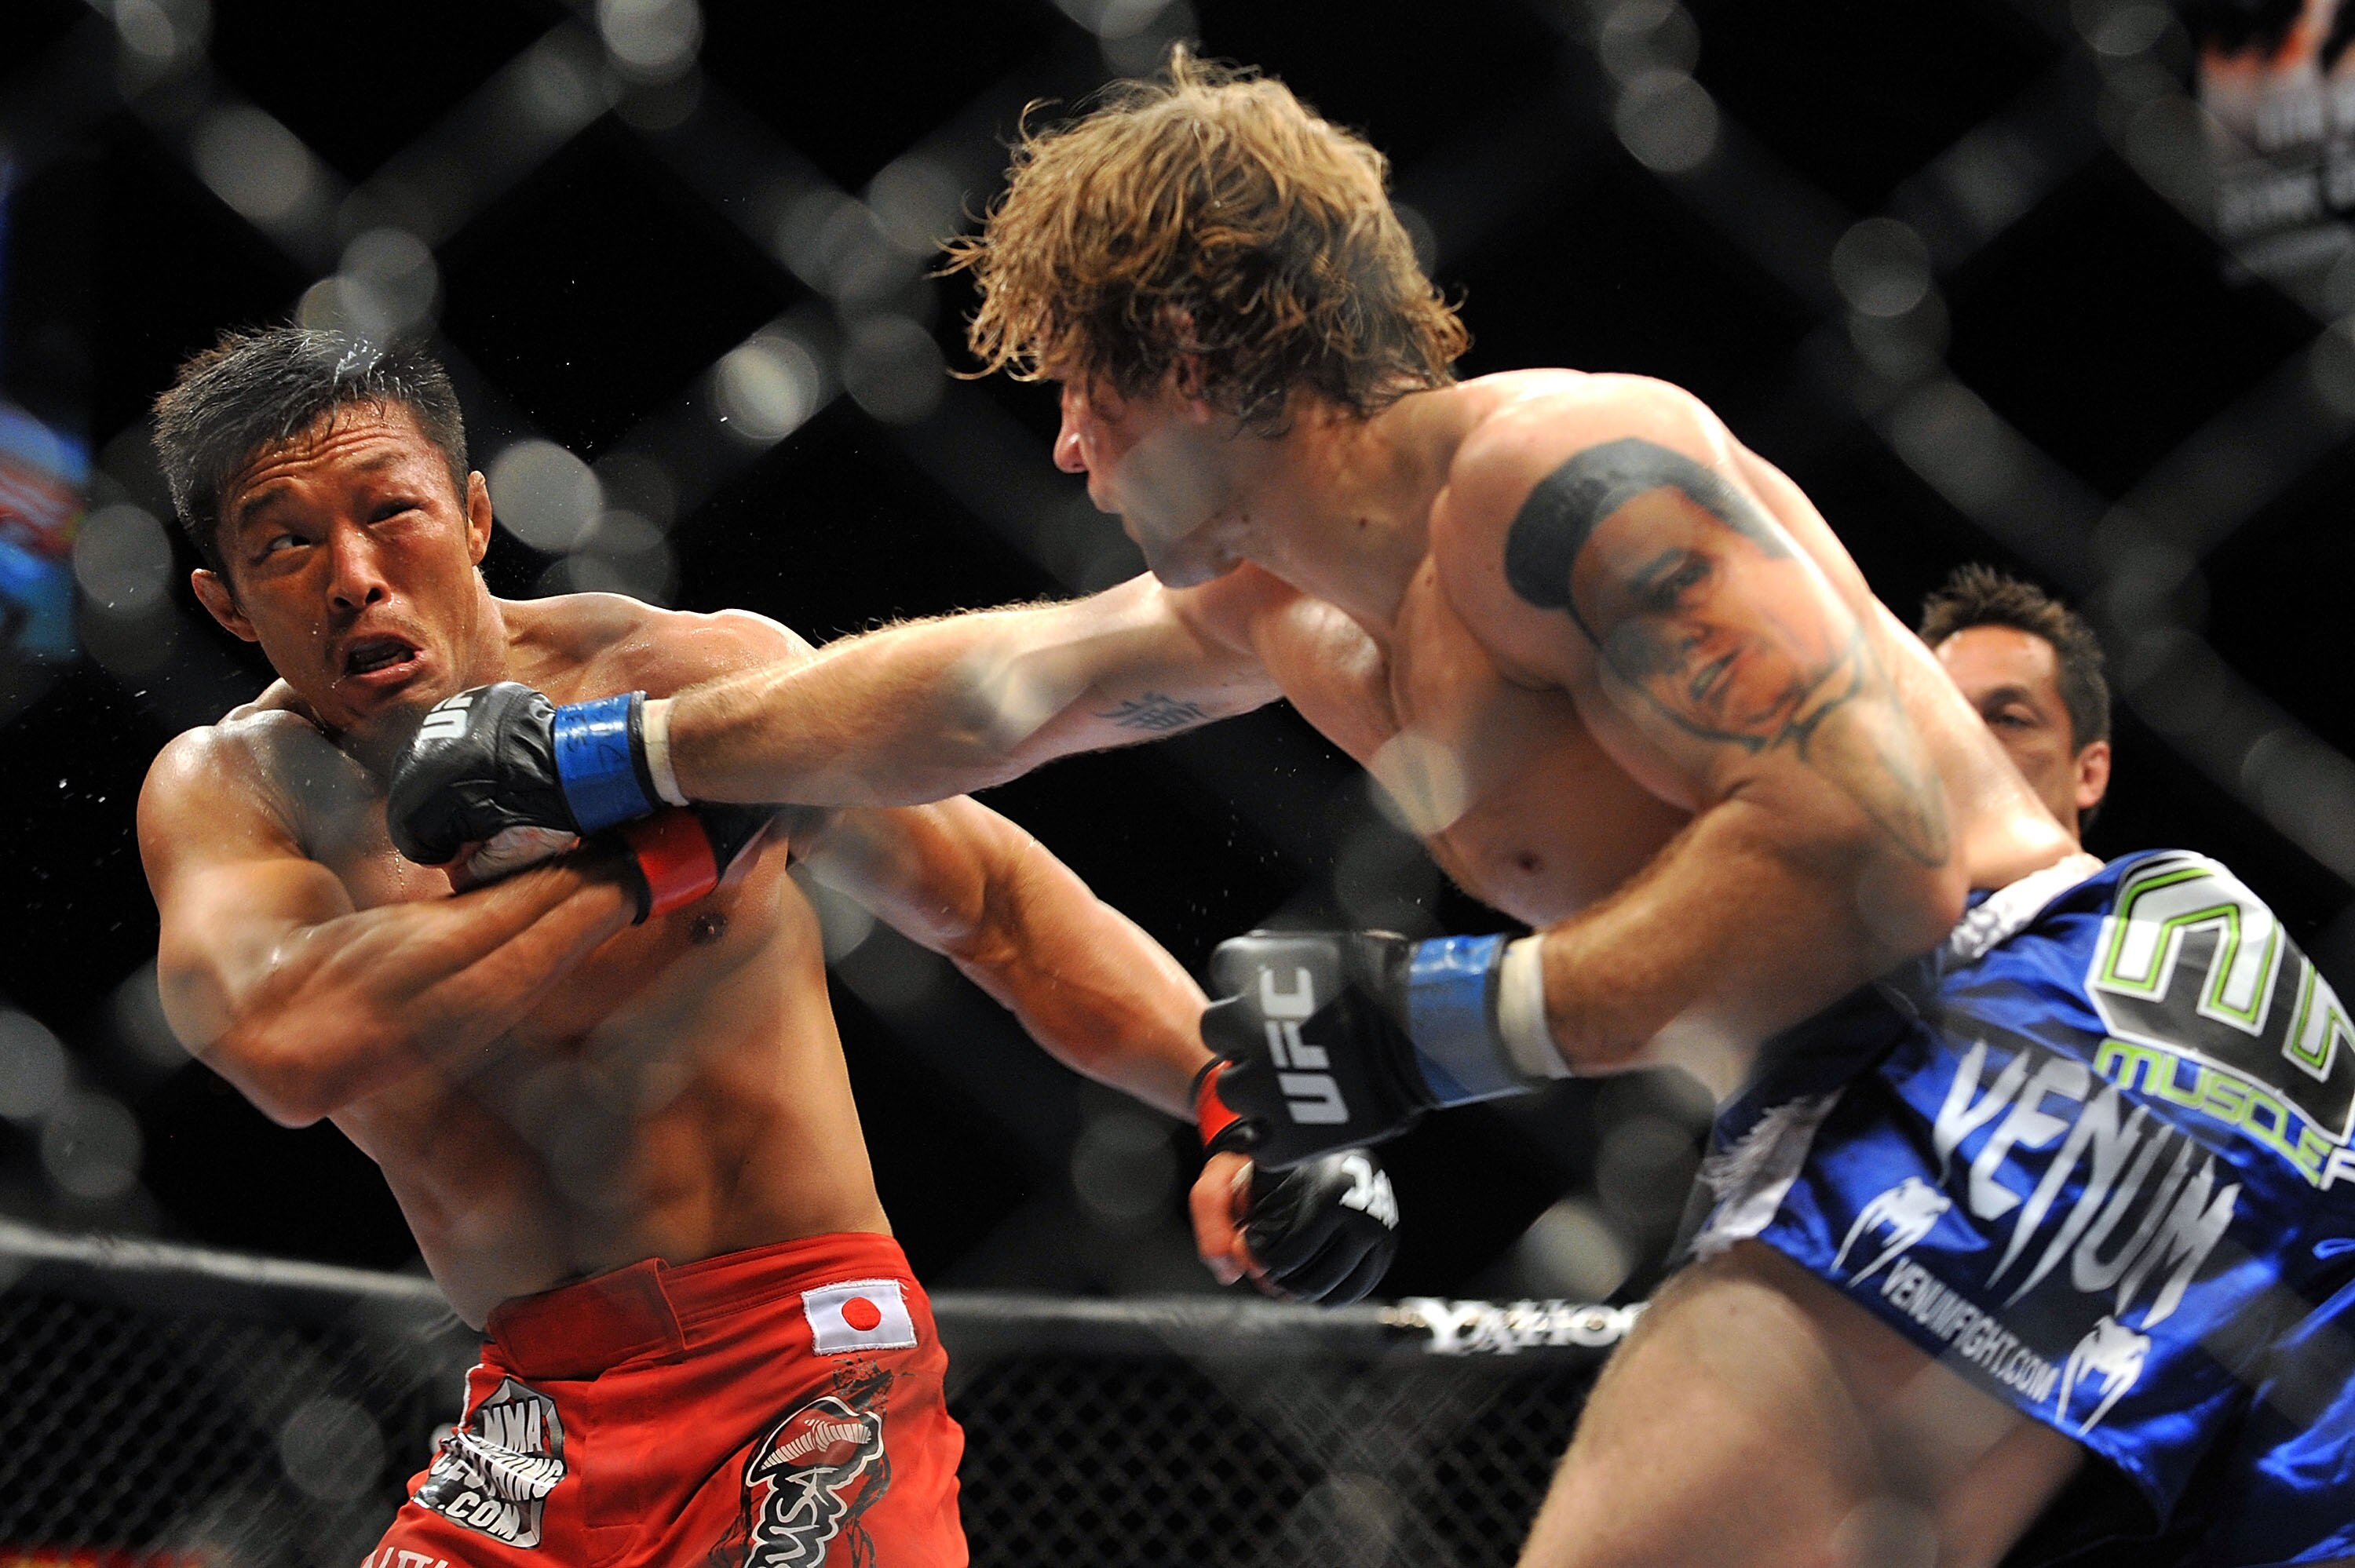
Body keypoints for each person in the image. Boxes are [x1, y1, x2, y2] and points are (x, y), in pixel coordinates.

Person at [385, 52, 2355, 1568]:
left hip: (2022, 1027)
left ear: (1180, 354)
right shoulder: (1296, 610)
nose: (1063, 450)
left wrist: (1448, 1023)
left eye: (1080, 391)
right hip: (2106, 1061)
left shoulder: (1561, 474)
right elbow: (991, 690)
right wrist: (622, 756)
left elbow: (1873, 847)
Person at [133, 326, 1397, 1566]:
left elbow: (995, 906)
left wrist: (1235, 1097)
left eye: (390, 512)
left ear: (473, 515)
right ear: (224, 602)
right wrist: (648, 863)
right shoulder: (235, 792)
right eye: (286, 545)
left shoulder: (685, 683)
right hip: (534, 1416)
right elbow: (293, 1043)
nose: (354, 575)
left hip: (807, 1363)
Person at [1919, 563, 2112, 843]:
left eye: (2008, 720)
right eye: (1942, 716)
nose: (1962, 741)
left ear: (2088, 775)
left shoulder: (2158, 871)